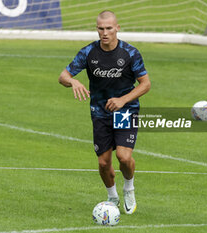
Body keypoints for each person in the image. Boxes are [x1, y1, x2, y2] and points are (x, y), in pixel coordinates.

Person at [58, 10, 151, 215]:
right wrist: (73, 80)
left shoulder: (130, 53)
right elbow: (63, 76)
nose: (105, 32)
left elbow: (145, 84)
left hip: (125, 110)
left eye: (109, 28)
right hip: (99, 113)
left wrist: (122, 100)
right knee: (103, 162)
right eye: (101, 29)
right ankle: (112, 197)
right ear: (97, 29)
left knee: (124, 157)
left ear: (117, 28)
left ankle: (129, 189)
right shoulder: (89, 53)